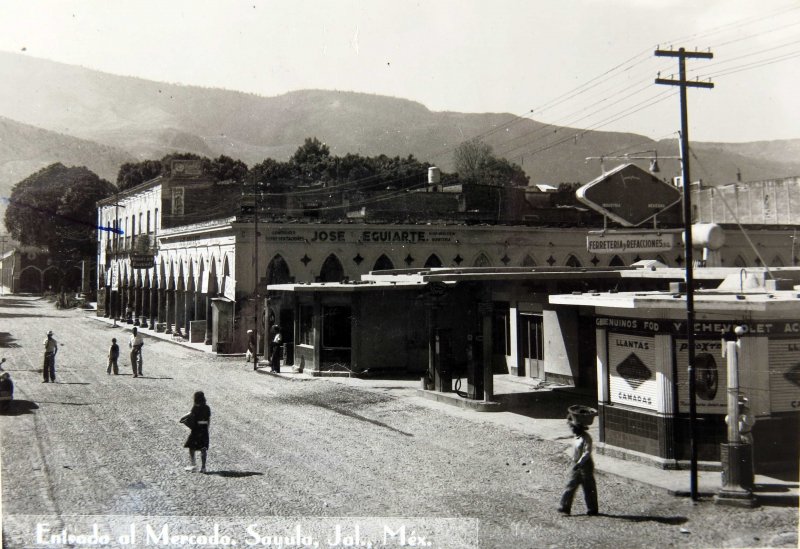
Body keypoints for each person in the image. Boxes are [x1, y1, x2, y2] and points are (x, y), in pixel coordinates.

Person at [558, 418, 599, 516]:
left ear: (579, 428)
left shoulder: (586, 438)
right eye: (571, 427)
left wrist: (579, 463)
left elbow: (587, 452)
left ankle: (592, 509)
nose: (572, 429)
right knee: (570, 484)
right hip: (576, 464)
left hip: (586, 465)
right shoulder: (576, 437)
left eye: (573, 427)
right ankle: (565, 507)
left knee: (589, 487)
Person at [181, 391, 211, 473]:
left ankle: (193, 465)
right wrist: (206, 429)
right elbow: (208, 420)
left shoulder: (195, 407)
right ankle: (203, 467)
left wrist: (183, 418)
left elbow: (190, 415)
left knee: (191, 447)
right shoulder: (207, 408)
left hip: (196, 429)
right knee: (203, 448)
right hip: (204, 429)